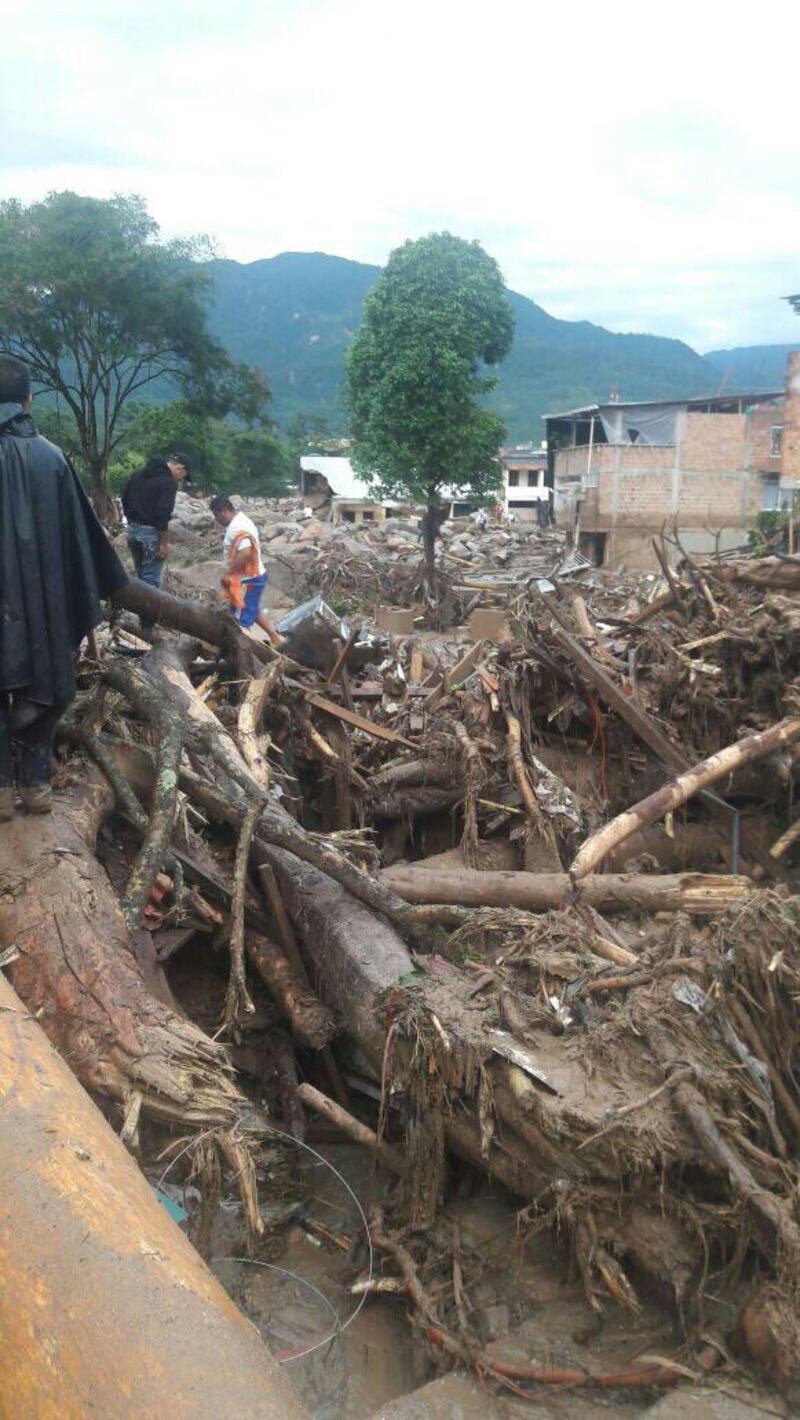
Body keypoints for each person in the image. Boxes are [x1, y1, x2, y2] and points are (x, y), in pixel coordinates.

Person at [0, 354, 128, 819]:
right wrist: (108, 585)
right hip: (44, 607)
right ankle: (34, 784)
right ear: (28, 400)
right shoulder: (52, 459)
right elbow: (81, 540)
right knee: (47, 682)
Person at [208, 495, 285, 647]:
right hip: (249, 577)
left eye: (216, 515)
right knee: (250, 610)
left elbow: (245, 553)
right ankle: (276, 638)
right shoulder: (239, 521)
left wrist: (230, 574)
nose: (216, 520)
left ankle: (247, 652)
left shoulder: (238, 527)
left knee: (240, 622)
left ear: (223, 511)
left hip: (247, 580)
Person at [121, 452, 192, 588]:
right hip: (150, 535)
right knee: (151, 581)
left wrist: (131, 520)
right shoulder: (169, 482)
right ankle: (147, 609)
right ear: (180, 468)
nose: (180, 480)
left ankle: (137, 608)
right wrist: (163, 543)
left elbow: (125, 499)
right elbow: (162, 514)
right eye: (182, 477)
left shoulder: (138, 474)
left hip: (132, 531)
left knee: (141, 577)